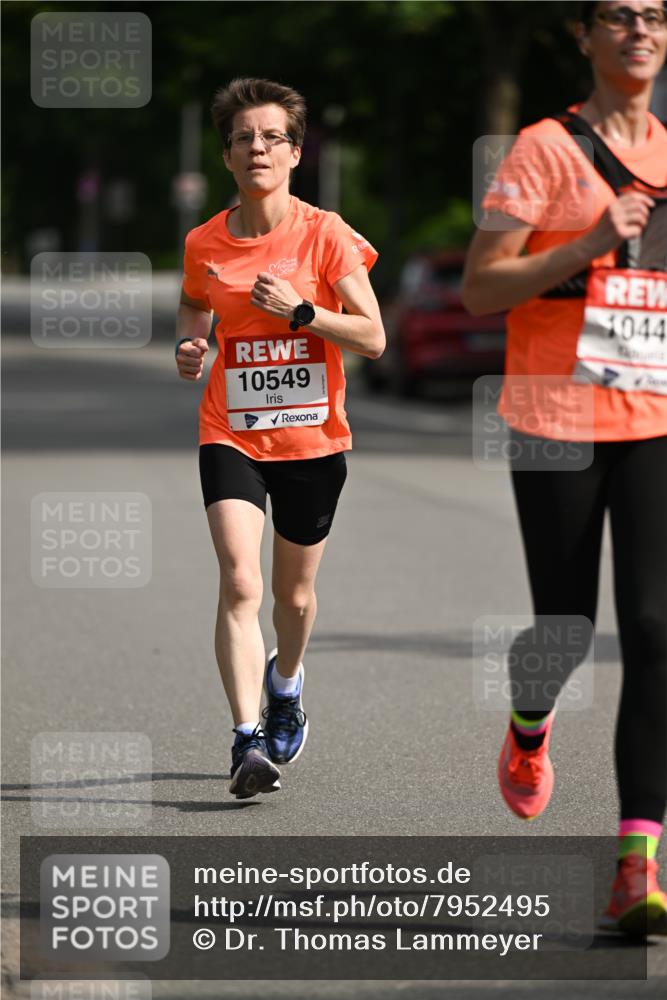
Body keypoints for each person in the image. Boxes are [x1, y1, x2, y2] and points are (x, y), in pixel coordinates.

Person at [463, 1, 667, 936]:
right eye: (618, 17)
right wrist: (584, 246)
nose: (638, 30)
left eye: (654, 16)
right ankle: (528, 725)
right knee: (566, 626)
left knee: (657, 629)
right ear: (585, 38)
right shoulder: (545, 149)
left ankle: (635, 867)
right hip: (553, 414)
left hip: (653, 413)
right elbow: (479, 286)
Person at [175, 78, 384, 800]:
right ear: (227, 155)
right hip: (230, 431)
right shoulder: (203, 241)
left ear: (295, 153)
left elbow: (374, 336)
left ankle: (285, 683)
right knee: (240, 580)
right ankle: (245, 741)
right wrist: (190, 344)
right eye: (242, 138)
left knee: (292, 599)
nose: (256, 148)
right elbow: (192, 303)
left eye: (271, 137)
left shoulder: (325, 234)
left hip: (314, 441)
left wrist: (303, 312)